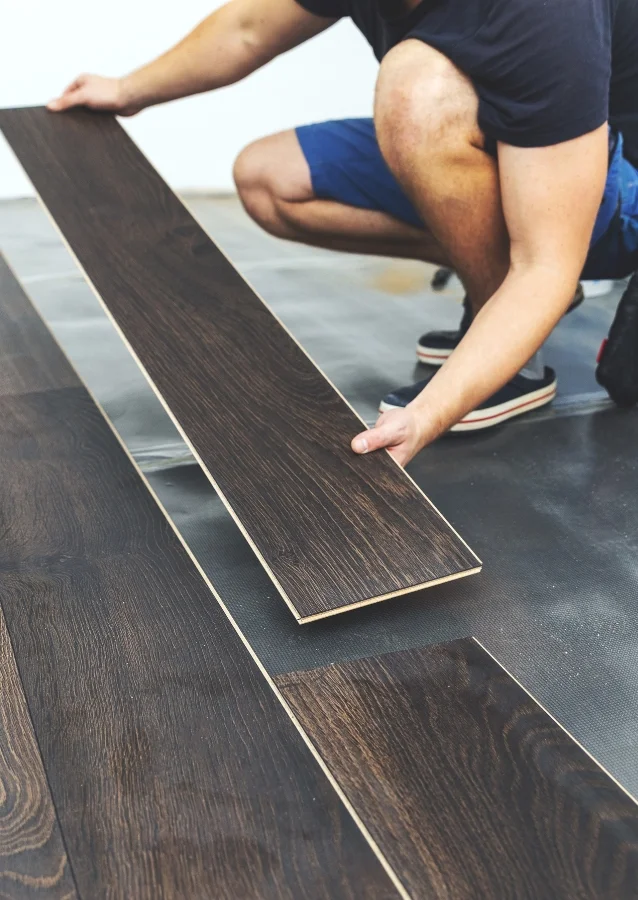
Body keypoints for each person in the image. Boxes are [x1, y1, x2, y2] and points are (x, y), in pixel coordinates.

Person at [48, 0, 638, 465]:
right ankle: (501, 306)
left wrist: (429, 414)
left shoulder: (545, 12)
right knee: (268, 179)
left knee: (416, 87)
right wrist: (127, 91)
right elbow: (249, 27)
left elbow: (546, 267)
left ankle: (515, 361)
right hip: (522, 155)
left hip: (612, 189)